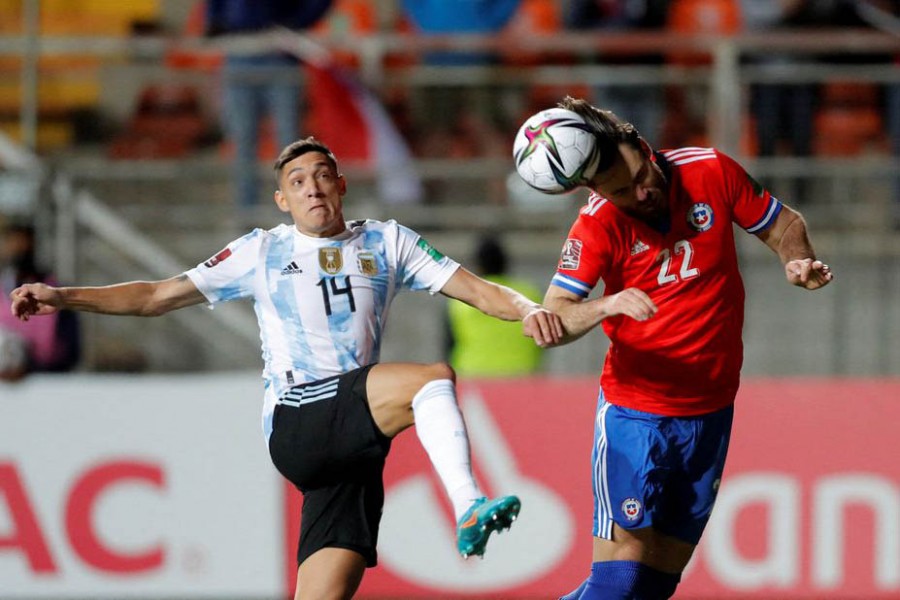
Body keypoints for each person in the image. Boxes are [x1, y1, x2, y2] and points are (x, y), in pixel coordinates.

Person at [9, 137, 564, 599]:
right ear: (282, 200)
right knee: (432, 379)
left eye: (322, 176)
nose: (312, 188)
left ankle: (465, 508)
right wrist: (63, 296)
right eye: (298, 182)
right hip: (299, 418)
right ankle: (468, 506)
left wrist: (530, 309)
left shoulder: (387, 242)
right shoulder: (261, 252)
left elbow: (480, 292)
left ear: (341, 185)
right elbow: (156, 296)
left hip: (353, 442)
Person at [539, 97, 832, 600]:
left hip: (711, 411)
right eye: (622, 192)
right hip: (637, 416)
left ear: (644, 146)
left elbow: (785, 224)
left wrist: (797, 259)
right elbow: (554, 318)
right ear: (598, 192)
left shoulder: (711, 171)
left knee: (655, 586)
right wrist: (607, 305)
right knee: (619, 582)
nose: (640, 193)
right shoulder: (597, 223)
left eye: (640, 176)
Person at [206, 0, 333, 214]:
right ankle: (246, 214)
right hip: (240, 50)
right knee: (242, 140)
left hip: (281, 52)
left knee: (289, 143)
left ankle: (296, 213)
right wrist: (216, 19)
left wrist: (297, 21)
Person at [446, 236, 544, 377]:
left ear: (478, 264)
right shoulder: (528, 295)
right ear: (505, 263)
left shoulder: (461, 300)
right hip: (522, 374)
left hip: (472, 375)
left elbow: (449, 343)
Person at [0, 222, 80, 382]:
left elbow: (72, 350)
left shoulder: (56, 292)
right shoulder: (3, 288)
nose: (20, 249)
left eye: (25, 244)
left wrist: (30, 368)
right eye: (14, 243)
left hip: (46, 382)